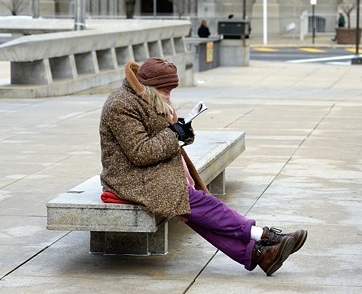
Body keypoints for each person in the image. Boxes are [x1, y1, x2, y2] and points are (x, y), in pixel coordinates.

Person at [99, 57, 307, 276]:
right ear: (150, 86)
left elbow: (160, 138)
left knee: (191, 205)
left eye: (172, 90)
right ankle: (263, 235)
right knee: (192, 200)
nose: (169, 95)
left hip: (148, 170)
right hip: (128, 177)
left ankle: (260, 255)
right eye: (166, 90)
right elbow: (140, 152)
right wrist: (173, 134)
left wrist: (181, 132)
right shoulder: (120, 105)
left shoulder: (144, 97)